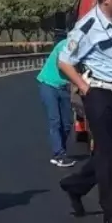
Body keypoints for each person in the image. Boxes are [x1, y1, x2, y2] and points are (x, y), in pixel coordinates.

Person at [56, 0, 112, 223]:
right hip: (97, 93)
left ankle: (75, 186)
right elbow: (64, 62)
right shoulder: (87, 27)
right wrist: (82, 86)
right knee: (107, 152)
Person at [37, 30, 77, 167]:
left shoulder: (84, 50)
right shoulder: (65, 45)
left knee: (67, 123)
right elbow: (63, 65)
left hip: (63, 87)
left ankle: (61, 150)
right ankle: (59, 154)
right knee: (55, 120)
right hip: (48, 84)